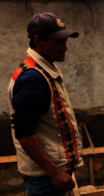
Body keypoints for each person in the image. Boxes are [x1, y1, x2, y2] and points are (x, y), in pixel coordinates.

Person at [8, 12, 83, 196]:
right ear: (38, 41)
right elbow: (24, 133)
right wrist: (54, 172)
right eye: (58, 42)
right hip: (45, 178)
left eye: (65, 41)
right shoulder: (33, 77)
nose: (65, 47)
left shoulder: (44, 70)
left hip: (51, 174)